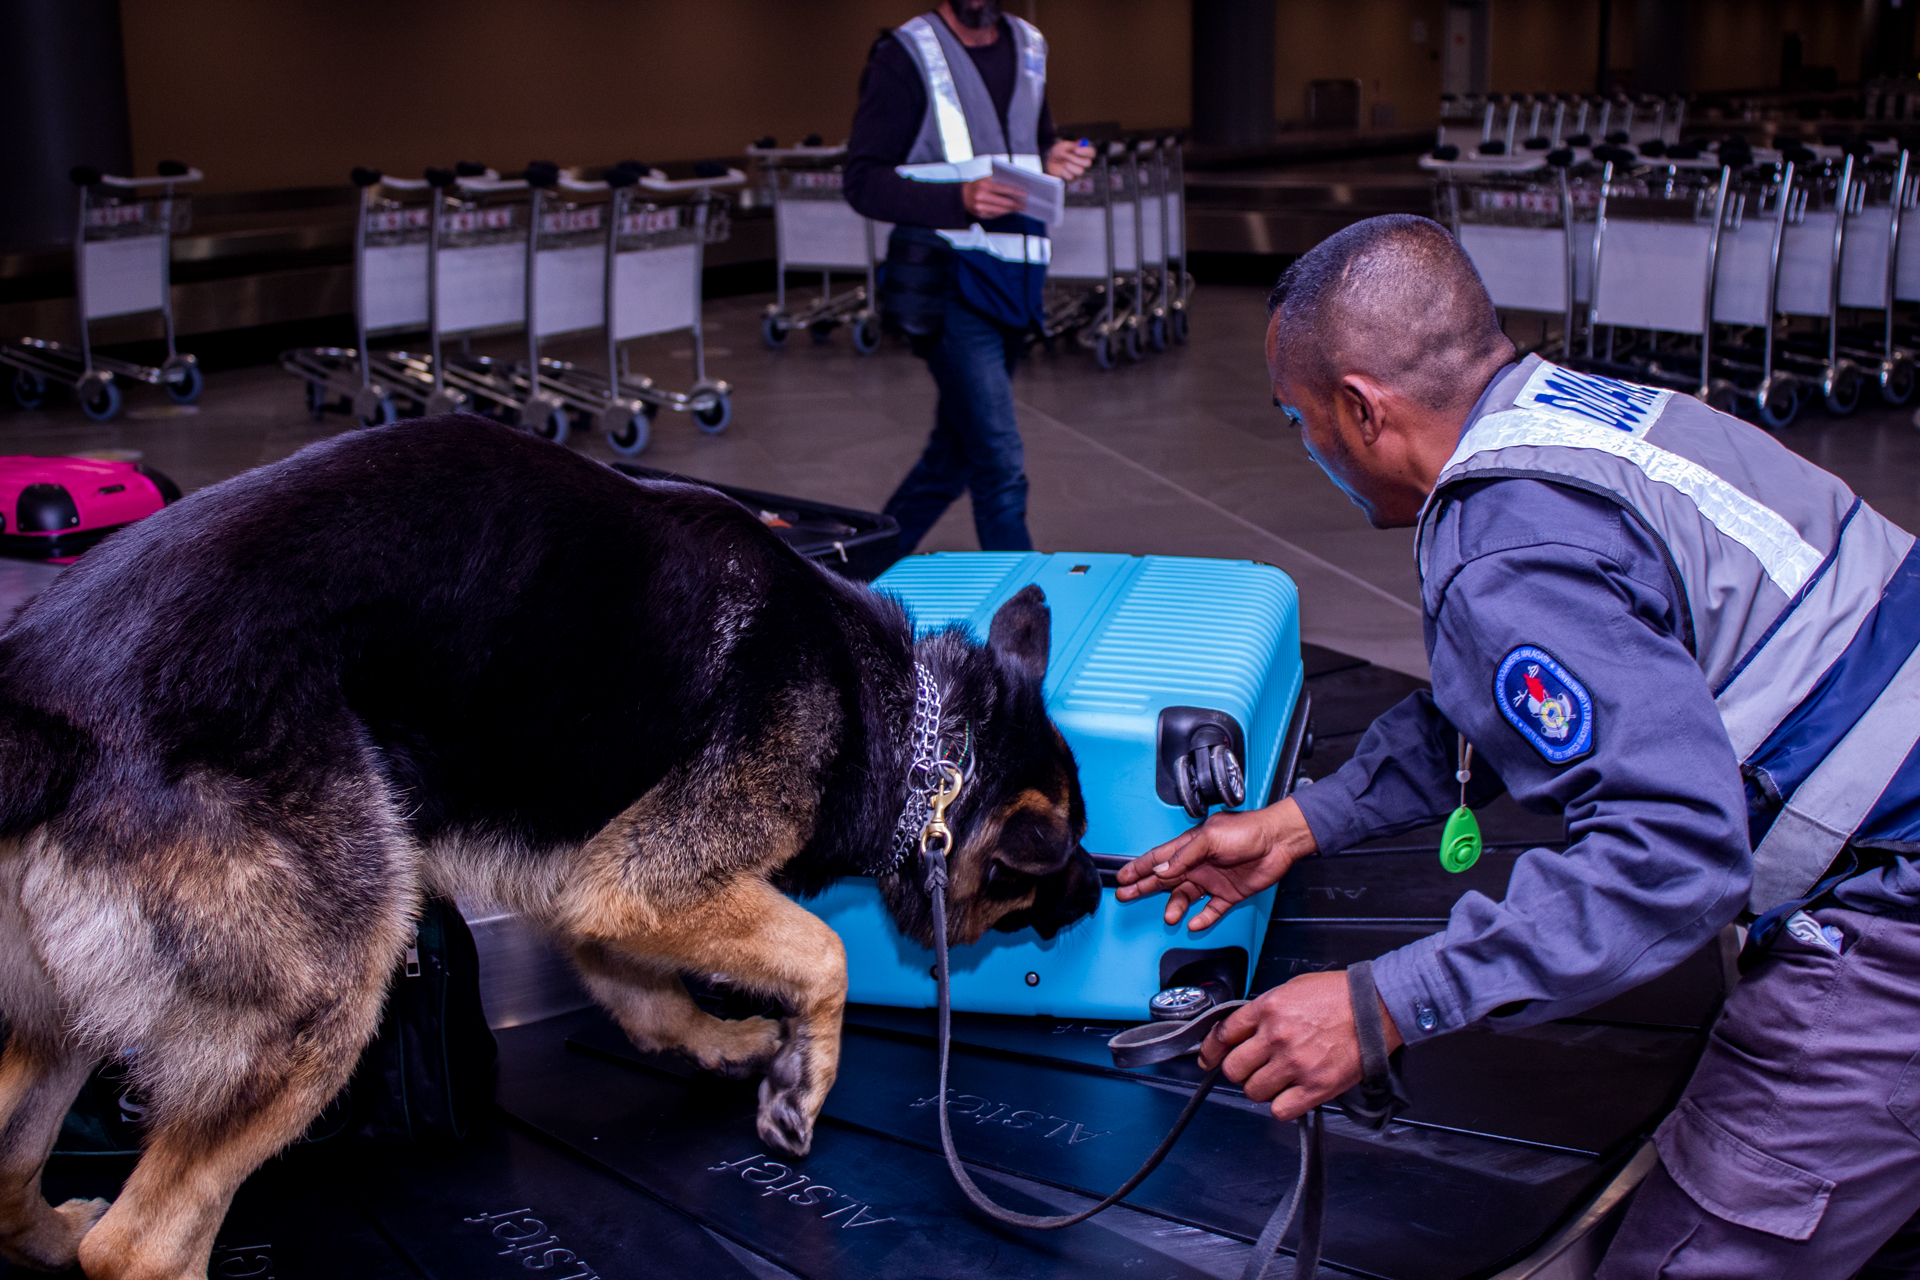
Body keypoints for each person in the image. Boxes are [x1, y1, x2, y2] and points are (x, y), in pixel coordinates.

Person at [1116, 213, 1920, 1275]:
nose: (1308, 444)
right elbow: (1553, 681)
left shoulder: (1502, 544)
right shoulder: (1590, 414)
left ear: (1360, 407)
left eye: (1299, 419)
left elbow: (1675, 855)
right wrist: (1306, 819)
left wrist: (1381, 1001)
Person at [844, 1, 1092, 553]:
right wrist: (960, 198)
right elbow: (862, 182)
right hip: (947, 282)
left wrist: (1052, 158)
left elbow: (1030, 142)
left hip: (1014, 282)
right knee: (1000, 465)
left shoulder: (1029, 45)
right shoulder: (905, 55)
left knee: (949, 461)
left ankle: (852, 573)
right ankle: (1025, 625)